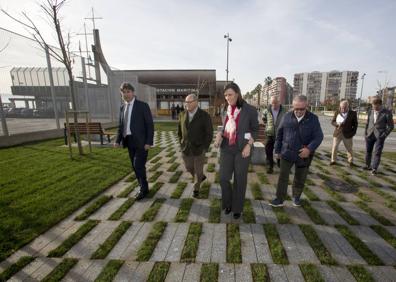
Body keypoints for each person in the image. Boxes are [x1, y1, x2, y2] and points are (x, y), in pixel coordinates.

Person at [214, 82, 259, 219]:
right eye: (226, 95)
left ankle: (237, 207)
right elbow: (225, 127)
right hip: (227, 147)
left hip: (242, 149)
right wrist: (219, 135)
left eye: (230, 94)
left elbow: (255, 130)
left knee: (240, 180)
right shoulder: (225, 109)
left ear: (237, 94)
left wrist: (249, 145)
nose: (227, 97)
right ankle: (228, 203)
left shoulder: (250, 110)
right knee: (223, 178)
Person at [270, 95, 323, 207]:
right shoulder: (286, 116)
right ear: (293, 106)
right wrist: (277, 150)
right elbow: (279, 135)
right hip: (286, 152)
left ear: (306, 106)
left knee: (300, 177)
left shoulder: (313, 119)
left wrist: (309, 149)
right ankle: (279, 199)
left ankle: (296, 197)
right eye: (296, 108)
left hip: (303, 155)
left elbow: (318, 137)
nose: (298, 111)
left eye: (302, 109)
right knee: (282, 177)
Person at [114, 82, 154, 200]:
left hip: (141, 142)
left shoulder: (142, 106)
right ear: (121, 94)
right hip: (129, 141)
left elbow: (149, 125)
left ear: (133, 92)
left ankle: (143, 189)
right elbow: (121, 126)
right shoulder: (122, 107)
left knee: (138, 165)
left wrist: (149, 142)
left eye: (128, 92)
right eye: (123, 92)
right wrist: (117, 140)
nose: (126, 94)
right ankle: (142, 185)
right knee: (135, 166)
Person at [178, 94, 213, 197]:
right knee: (188, 168)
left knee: (198, 170)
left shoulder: (204, 115)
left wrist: (204, 148)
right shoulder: (182, 114)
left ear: (196, 102)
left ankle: (196, 188)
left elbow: (209, 133)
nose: (186, 104)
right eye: (186, 102)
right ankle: (201, 177)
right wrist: (181, 143)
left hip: (199, 149)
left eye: (189, 102)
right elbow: (179, 132)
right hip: (186, 148)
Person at [364, 97, 394, 175]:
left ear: (380, 105)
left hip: (379, 136)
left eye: (375, 106)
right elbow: (367, 123)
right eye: (373, 105)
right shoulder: (370, 111)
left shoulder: (387, 113)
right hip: (370, 134)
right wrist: (365, 133)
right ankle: (367, 165)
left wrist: (384, 135)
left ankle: (374, 168)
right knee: (368, 151)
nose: (374, 107)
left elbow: (391, 126)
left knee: (377, 152)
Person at [262, 95, 286, 173]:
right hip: (270, 133)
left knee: (279, 149)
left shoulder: (284, 111)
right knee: (268, 149)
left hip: (280, 134)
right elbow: (264, 118)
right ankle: (270, 166)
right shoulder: (267, 110)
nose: (274, 105)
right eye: (272, 103)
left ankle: (279, 161)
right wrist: (269, 126)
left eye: (275, 103)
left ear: (279, 102)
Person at [330, 100, 358, 166]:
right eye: (341, 107)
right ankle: (333, 160)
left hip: (348, 134)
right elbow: (332, 121)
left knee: (349, 148)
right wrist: (337, 124)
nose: (343, 109)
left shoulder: (353, 113)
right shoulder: (337, 112)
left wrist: (353, 133)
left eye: (344, 107)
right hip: (337, 133)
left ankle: (350, 161)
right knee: (334, 147)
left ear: (348, 106)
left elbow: (355, 124)